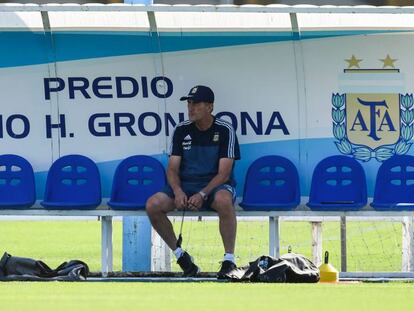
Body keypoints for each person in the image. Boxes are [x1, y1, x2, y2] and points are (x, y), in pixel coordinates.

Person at [146, 85, 241, 278]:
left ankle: (229, 260)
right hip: (186, 185)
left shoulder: (225, 130)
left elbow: (224, 173)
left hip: (215, 186)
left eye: (196, 103)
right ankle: (181, 257)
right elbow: (172, 168)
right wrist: (178, 190)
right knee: (153, 204)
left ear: (210, 107)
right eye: (189, 103)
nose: (191, 107)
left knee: (224, 200)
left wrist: (202, 194)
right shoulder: (181, 130)